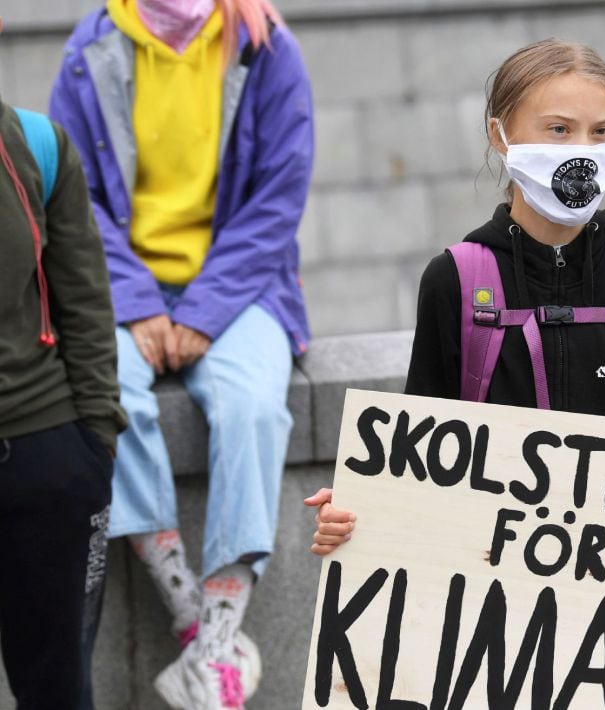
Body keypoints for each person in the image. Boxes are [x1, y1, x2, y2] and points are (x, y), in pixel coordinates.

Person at [305, 38, 605, 634]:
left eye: (601, 131)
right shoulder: (456, 280)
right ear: (501, 135)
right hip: (493, 619)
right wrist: (363, 514)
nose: (582, 151)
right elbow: (419, 463)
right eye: (559, 129)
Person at [49, 0, 313, 706]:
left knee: (253, 404)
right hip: (123, 287)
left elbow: (279, 197)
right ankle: (193, 616)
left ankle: (222, 633)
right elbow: (72, 196)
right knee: (107, 395)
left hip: (243, 286)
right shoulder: (90, 49)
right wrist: (137, 301)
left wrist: (201, 310)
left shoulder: (267, 46)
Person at [0, 15, 127, 709]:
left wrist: (95, 439)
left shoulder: (38, 146)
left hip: (48, 460)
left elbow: (85, 301)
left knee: (58, 693)